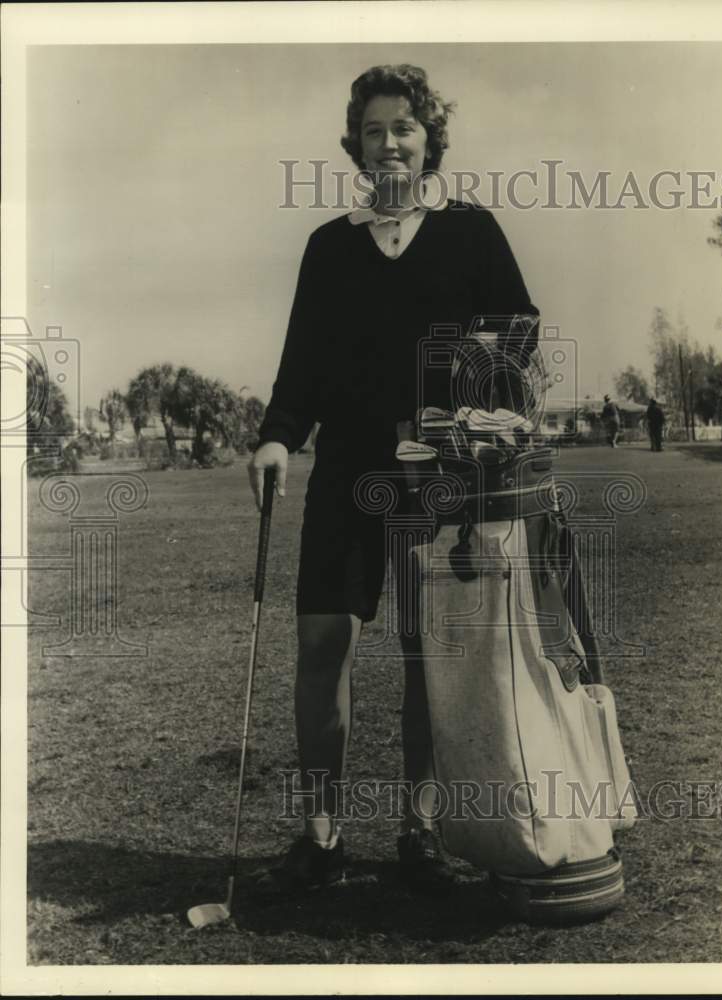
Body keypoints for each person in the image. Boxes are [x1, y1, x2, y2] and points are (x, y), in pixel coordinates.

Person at [247, 64, 538, 895]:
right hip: (346, 469)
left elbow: (516, 332)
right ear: (355, 144)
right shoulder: (328, 246)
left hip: (440, 473)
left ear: (428, 138)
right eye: (373, 130)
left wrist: (480, 407)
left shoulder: (473, 233)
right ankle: (322, 831)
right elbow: (300, 365)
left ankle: (420, 829)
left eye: (402, 127)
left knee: (426, 655)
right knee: (320, 642)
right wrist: (275, 439)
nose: (388, 144)